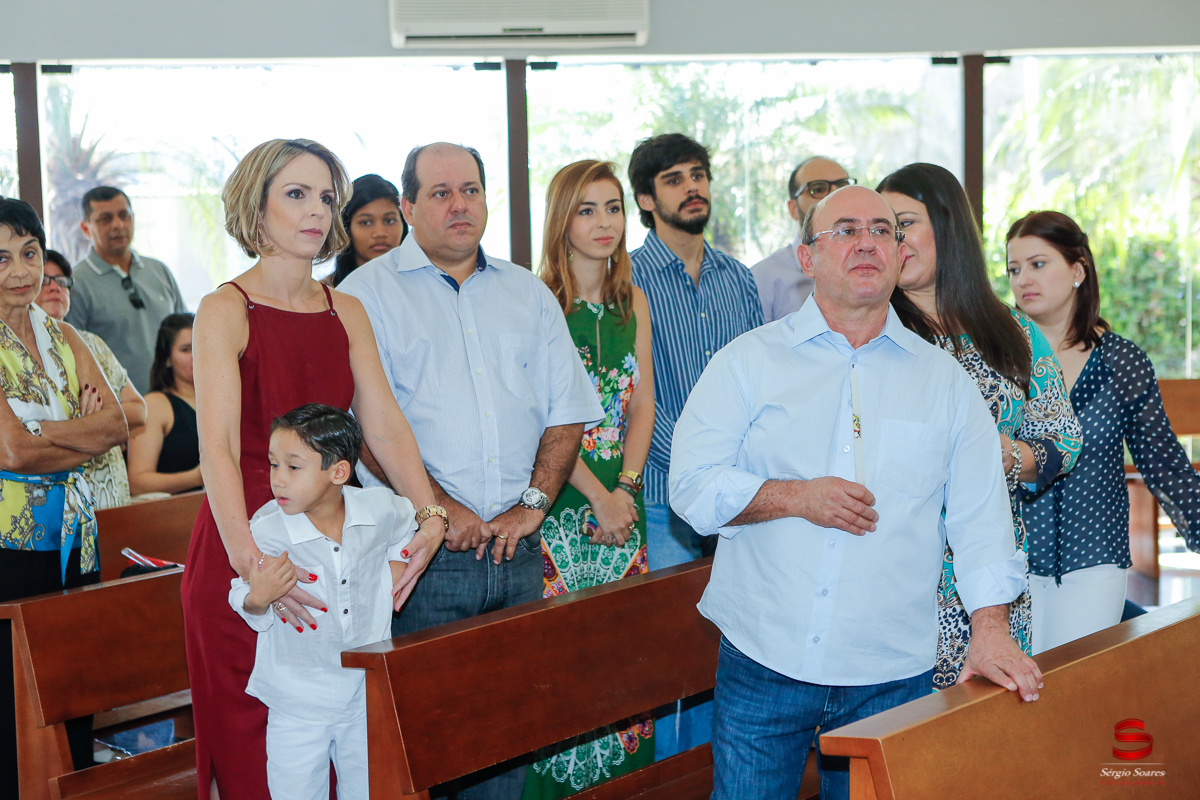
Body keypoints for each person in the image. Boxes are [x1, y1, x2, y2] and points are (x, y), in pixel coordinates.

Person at [669, 186, 1041, 800]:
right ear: (806, 257)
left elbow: (981, 515)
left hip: (889, 669)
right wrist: (794, 497)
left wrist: (992, 626)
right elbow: (691, 484)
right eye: (845, 229)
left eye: (883, 229)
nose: (867, 240)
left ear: (900, 256)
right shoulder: (747, 362)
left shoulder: (944, 382)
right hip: (766, 653)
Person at [340, 142, 603, 800]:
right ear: (406, 207)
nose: (460, 205)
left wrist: (536, 504)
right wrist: (441, 508)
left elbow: (567, 410)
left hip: (517, 555)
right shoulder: (364, 295)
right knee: (422, 750)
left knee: (504, 741)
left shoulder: (525, 292)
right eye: (439, 192)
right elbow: (363, 424)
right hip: (419, 558)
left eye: (471, 190)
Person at [183, 138, 443, 800]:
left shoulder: (344, 308)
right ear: (256, 206)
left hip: (334, 548)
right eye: (295, 194)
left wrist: (429, 512)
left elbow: (382, 425)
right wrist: (251, 564)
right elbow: (213, 446)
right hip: (249, 542)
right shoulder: (226, 309)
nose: (316, 212)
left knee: (346, 744)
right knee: (256, 754)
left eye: (326, 197)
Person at [877, 163, 1082, 688]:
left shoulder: (1011, 329)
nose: (891, 241)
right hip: (897, 575)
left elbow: (1064, 438)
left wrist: (1006, 456)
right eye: (882, 230)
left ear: (947, 226)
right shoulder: (873, 332)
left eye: (903, 224)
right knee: (902, 739)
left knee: (982, 740)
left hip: (992, 581)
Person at [522, 160, 656, 800]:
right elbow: (543, 423)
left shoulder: (636, 300)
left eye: (613, 207)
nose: (604, 223)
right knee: (563, 666)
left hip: (624, 514)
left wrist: (626, 490)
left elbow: (642, 406)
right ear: (560, 220)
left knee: (624, 664)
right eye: (587, 209)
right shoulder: (538, 301)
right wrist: (599, 495)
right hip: (559, 510)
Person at [627, 132, 762, 759]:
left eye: (699, 174)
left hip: (740, 504)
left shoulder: (739, 280)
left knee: (727, 653)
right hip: (661, 499)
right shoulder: (625, 279)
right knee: (666, 658)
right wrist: (686, 473)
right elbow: (625, 401)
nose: (693, 187)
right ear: (647, 200)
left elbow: (765, 392)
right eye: (675, 179)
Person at [1008, 210, 1200, 652]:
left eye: (1038, 264)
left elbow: (1164, 464)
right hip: (1012, 557)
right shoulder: (1000, 357)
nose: (1022, 280)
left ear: (1078, 270)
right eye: (1014, 269)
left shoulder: (1121, 362)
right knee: (1012, 703)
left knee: (1074, 695)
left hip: (1095, 558)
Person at [0, 199, 127, 799]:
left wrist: (41, 438)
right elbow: (13, 456)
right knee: (14, 696)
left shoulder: (66, 334)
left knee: (75, 685)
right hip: (9, 544)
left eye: (29, 254)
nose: (21, 271)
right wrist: (79, 435)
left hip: (78, 534)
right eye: (1, 258)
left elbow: (120, 425)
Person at [229, 404, 417, 800]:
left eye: (293, 467)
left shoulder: (377, 507)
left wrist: (397, 568)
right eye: (273, 464)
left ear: (338, 472)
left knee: (369, 791)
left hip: (365, 694)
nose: (278, 480)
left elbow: (407, 521)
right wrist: (259, 598)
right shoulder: (269, 529)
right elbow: (240, 590)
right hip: (297, 700)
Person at [37, 249, 146, 509]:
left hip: (112, 491)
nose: (55, 287)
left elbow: (138, 410)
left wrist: (101, 422)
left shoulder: (92, 342)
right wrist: (99, 425)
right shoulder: (15, 350)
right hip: (56, 497)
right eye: (45, 280)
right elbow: (29, 433)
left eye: (62, 281)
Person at [64, 186, 188, 394]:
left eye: (124, 215)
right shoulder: (75, 283)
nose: (118, 225)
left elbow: (186, 334)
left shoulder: (158, 271)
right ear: (86, 229)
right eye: (105, 219)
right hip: (120, 410)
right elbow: (74, 356)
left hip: (173, 404)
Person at [751, 156, 854, 322]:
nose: (835, 196)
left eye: (843, 187)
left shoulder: (873, 262)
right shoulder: (763, 278)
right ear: (793, 208)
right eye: (818, 189)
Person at [128, 313, 202, 496]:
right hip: (172, 514)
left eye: (202, 345)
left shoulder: (225, 399)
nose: (197, 355)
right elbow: (136, 482)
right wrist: (196, 477)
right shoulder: (155, 405)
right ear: (167, 359)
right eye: (186, 349)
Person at [326, 174, 408, 287]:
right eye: (366, 222)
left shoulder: (422, 284)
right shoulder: (325, 294)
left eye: (389, 221)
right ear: (346, 229)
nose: (380, 233)